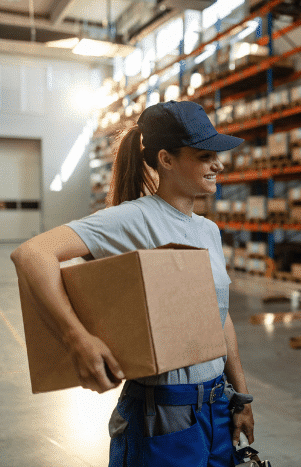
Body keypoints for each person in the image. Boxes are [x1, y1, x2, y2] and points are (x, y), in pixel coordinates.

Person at [11, 100, 254, 466]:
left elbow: (219, 317)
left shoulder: (209, 231)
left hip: (217, 407)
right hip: (163, 413)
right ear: (166, 160)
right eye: (204, 156)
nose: (218, 164)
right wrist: (77, 338)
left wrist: (242, 397)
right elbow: (32, 254)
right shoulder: (132, 219)